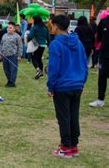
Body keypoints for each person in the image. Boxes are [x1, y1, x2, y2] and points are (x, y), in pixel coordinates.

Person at [47, 14, 87, 158]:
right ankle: (73, 145)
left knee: (64, 117)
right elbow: (84, 63)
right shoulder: (78, 43)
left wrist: (50, 87)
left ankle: (66, 147)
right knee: (73, 115)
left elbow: (54, 68)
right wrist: (82, 81)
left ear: (56, 26)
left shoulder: (56, 44)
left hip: (63, 86)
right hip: (77, 85)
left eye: (52, 24)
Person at [89, 11, 109, 107]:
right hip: (104, 55)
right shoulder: (104, 21)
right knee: (102, 77)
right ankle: (100, 100)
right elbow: (99, 37)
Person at [27, 15, 51, 79]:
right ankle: (41, 72)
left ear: (35, 20)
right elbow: (48, 38)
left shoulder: (34, 27)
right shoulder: (45, 27)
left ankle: (38, 70)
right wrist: (49, 45)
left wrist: (27, 39)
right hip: (43, 45)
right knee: (39, 58)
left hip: (36, 45)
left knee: (34, 58)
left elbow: (30, 36)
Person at [0, 22, 23, 87]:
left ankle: (12, 82)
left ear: (14, 29)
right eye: (7, 27)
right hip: (5, 55)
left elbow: (20, 46)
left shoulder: (17, 37)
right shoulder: (4, 35)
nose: (8, 29)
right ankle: (9, 80)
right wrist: (0, 53)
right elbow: (1, 44)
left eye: (10, 28)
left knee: (13, 69)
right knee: (6, 69)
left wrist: (19, 55)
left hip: (13, 55)